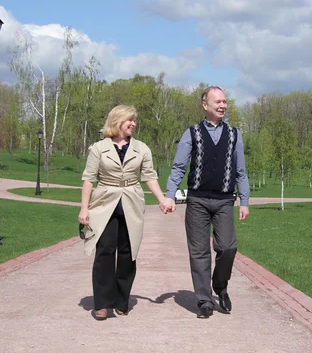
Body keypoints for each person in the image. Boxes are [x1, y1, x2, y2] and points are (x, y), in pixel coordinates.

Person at [162, 86, 250, 319]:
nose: (223, 105)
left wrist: (245, 200)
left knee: (227, 247)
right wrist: (170, 195)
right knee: (199, 251)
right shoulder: (191, 133)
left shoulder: (234, 134)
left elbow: (241, 171)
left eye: (225, 101)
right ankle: (205, 300)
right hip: (197, 200)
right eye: (218, 102)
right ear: (205, 105)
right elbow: (179, 167)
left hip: (224, 201)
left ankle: (220, 286)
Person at [78, 105, 167, 320]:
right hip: (104, 204)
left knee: (128, 253)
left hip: (131, 202)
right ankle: (102, 303)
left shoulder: (142, 148)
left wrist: (162, 199)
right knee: (105, 252)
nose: (133, 124)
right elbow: (89, 179)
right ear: (117, 121)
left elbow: (149, 176)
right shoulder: (98, 148)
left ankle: (122, 300)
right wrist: (84, 208)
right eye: (129, 120)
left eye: (134, 120)